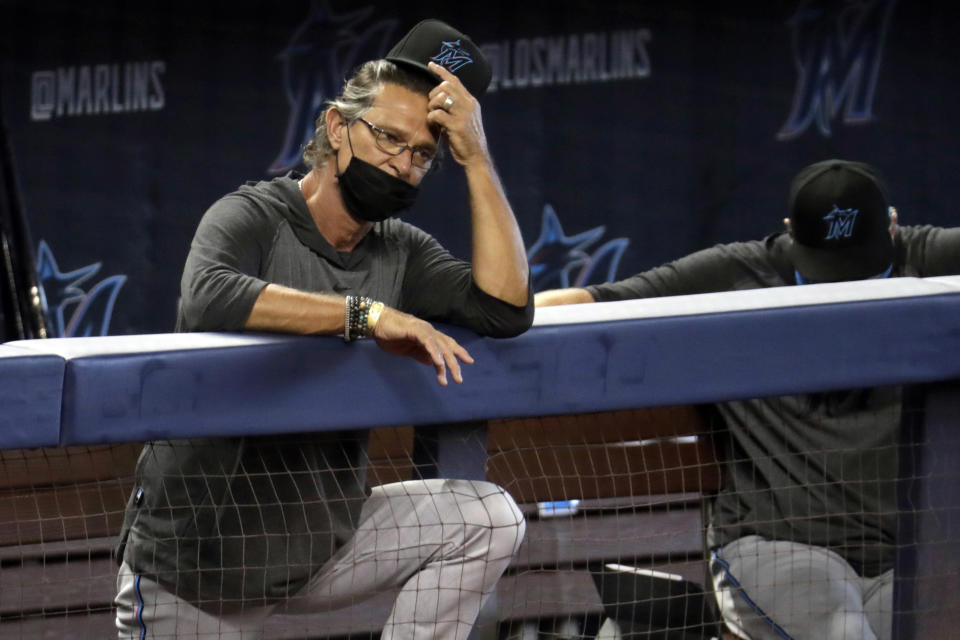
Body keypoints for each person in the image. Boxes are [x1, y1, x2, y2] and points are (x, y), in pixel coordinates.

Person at [114, 19, 532, 640]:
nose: (401, 164)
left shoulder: (402, 252)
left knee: (488, 517)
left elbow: (505, 308)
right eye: (389, 137)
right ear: (338, 126)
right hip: (199, 574)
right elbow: (210, 295)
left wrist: (475, 156)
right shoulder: (252, 215)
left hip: (319, 553)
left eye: (421, 153)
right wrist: (366, 316)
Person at [536, 159, 960, 640]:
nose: (849, 289)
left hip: (907, 555)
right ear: (788, 235)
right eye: (830, 273)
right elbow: (592, 302)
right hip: (779, 548)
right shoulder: (737, 275)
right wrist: (477, 316)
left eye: (863, 270)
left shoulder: (929, 259)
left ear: (893, 226)